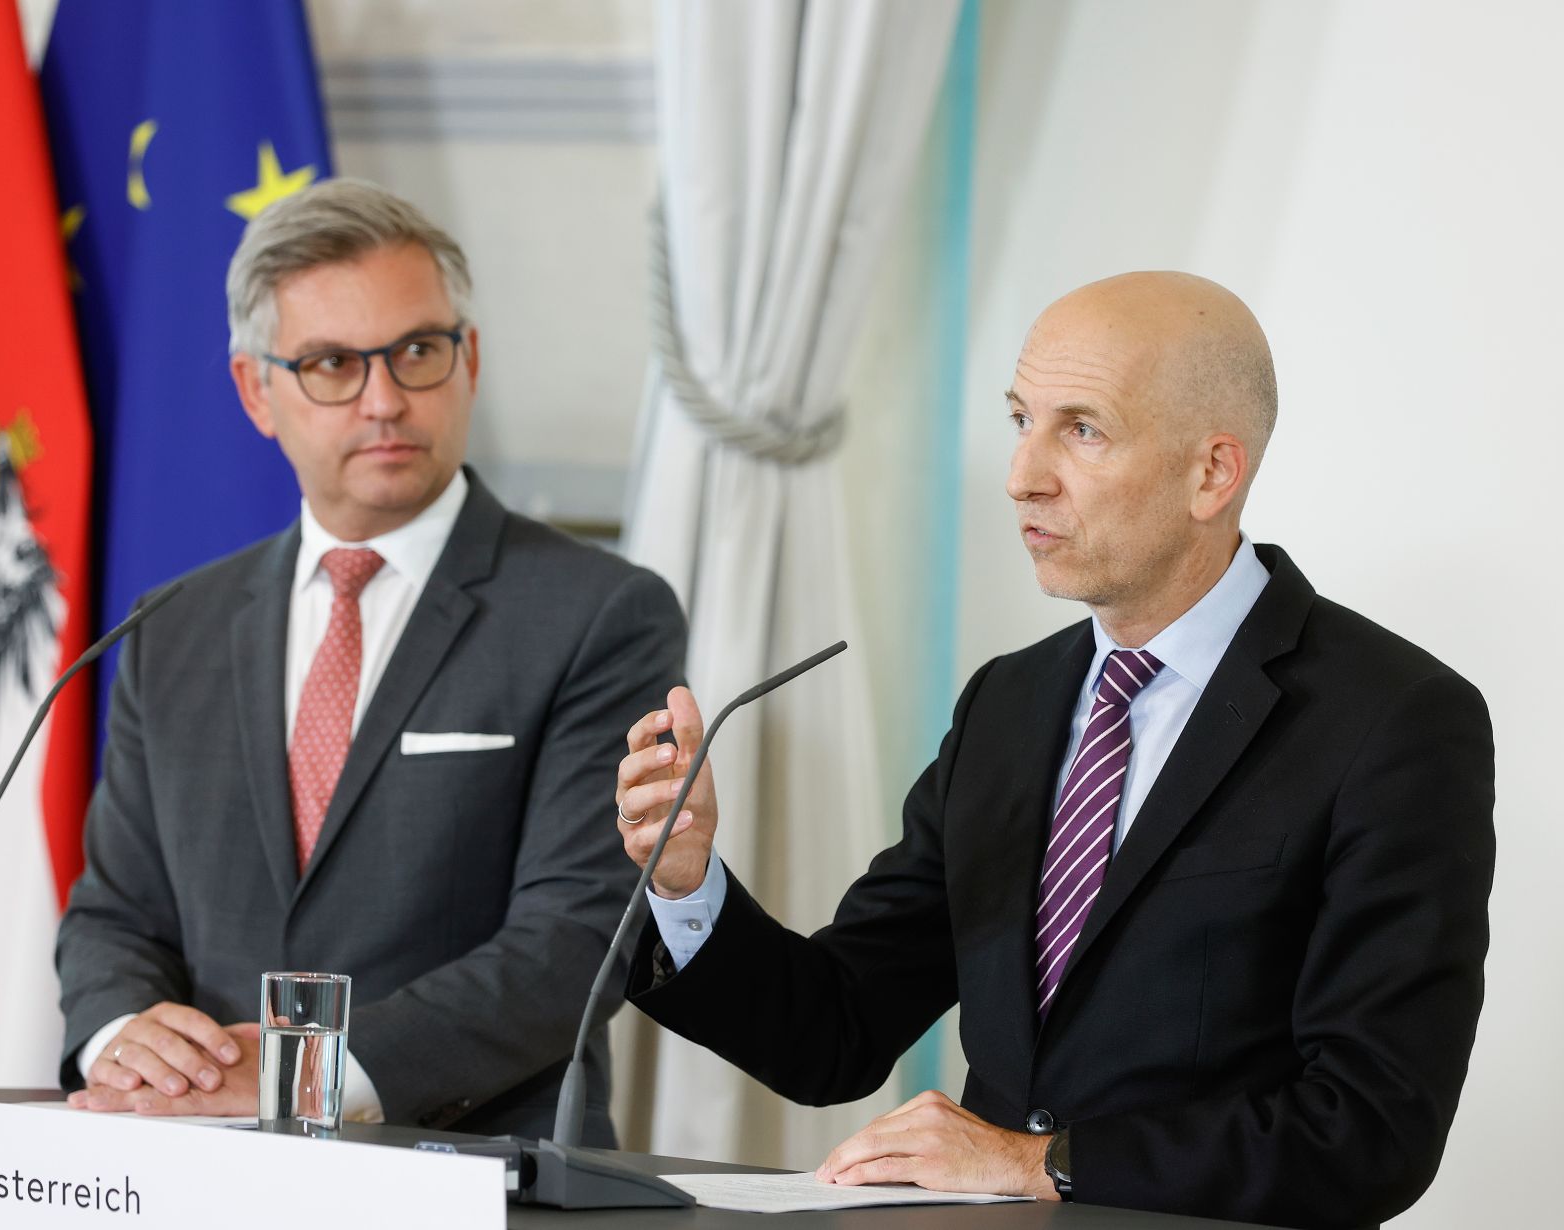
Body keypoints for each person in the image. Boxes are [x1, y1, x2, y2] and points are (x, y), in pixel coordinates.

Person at [614, 272, 1494, 1227]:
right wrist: (686, 883)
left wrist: (1040, 1162)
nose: (1022, 475)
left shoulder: (1395, 719)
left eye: (1082, 430)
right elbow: (837, 1029)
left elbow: (1368, 1130)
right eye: (1020, 419)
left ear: (1212, 473)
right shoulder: (1010, 700)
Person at [56, 178, 685, 1145]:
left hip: (473, 1177)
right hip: (189, 1170)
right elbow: (114, 914)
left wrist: (298, 1079)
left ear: (469, 359)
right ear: (255, 391)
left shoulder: (600, 614)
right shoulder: (171, 625)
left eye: (418, 353)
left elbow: (579, 940)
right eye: (332, 365)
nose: (385, 399)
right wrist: (122, 1039)